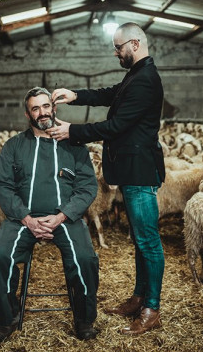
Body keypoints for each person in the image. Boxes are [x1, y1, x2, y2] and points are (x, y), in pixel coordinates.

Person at [47, 22, 165, 335]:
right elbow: (111, 94)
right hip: (131, 169)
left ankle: (152, 308)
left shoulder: (146, 79)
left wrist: (74, 131)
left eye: (118, 47)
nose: (115, 52)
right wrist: (75, 95)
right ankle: (140, 298)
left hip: (140, 171)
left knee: (148, 241)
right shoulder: (137, 75)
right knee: (141, 241)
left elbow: (117, 126)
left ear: (135, 44)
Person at [0, 86, 99, 343]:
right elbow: (2, 185)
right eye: (35, 108)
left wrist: (62, 215)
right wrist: (26, 218)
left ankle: (84, 319)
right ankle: (8, 318)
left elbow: (87, 187)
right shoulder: (14, 146)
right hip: (22, 218)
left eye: (45, 106)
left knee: (85, 259)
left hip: (65, 218)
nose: (42, 112)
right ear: (28, 115)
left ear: (54, 108)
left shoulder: (74, 146)